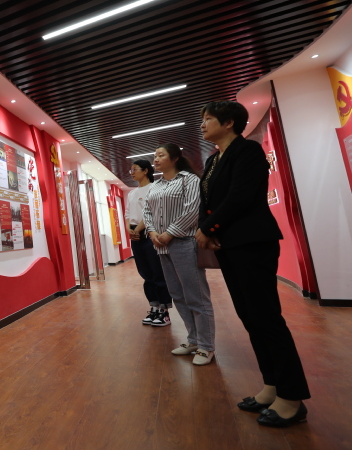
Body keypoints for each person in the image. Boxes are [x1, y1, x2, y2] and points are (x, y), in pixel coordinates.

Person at [197, 100, 310, 427]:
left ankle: (292, 398)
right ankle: (271, 385)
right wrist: (209, 229)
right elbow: (209, 201)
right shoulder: (213, 159)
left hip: (252, 243)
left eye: (208, 119)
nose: (202, 124)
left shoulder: (248, 151)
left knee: (266, 318)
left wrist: (209, 229)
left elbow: (240, 197)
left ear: (229, 122)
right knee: (250, 317)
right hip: (229, 244)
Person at [143, 143, 216, 365]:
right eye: (155, 155)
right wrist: (152, 231)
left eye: (161, 155)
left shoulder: (188, 180)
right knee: (177, 294)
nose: (156, 159)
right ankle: (193, 339)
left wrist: (169, 233)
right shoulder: (155, 186)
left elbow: (192, 210)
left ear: (175, 158)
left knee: (196, 295)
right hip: (161, 245)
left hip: (184, 243)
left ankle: (206, 346)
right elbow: (147, 211)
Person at [125, 159, 172, 326]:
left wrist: (137, 230)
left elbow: (151, 212)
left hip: (149, 234)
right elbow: (128, 214)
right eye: (131, 170)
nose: (132, 172)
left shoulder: (154, 188)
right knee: (146, 274)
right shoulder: (131, 193)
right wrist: (129, 230)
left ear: (145, 171)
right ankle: (154, 307)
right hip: (136, 236)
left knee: (158, 272)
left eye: (135, 169)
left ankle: (164, 312)